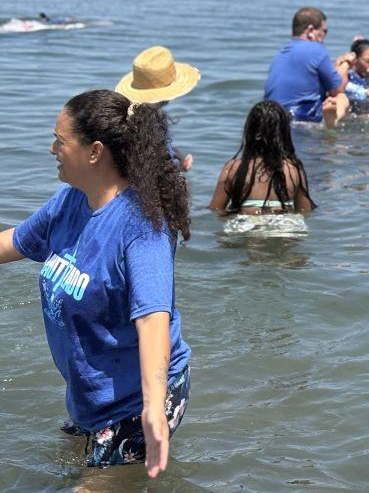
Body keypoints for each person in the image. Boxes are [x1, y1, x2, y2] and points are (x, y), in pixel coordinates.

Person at [0, 90, 192, 477]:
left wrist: (154, 408)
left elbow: (153, 318)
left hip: (137, 400)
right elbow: (14, 242)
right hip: (91, 394)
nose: (52, 149)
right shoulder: (70, 202)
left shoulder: (142, 228)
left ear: (95, 152)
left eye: (60, 140)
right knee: (67, 467)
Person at [208, 100, 315, 215]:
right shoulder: (293, 168)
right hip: (283, 223)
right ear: (283, 133)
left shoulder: (233, 168)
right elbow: (305, 210)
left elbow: (216, 209)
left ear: (250, 132)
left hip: (245, 223)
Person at [115, 45, 201, 171]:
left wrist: (177, 157)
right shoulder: (151, 121)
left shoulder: (126, 112)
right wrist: (180, 166)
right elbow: (157, 162)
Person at [264, 7, 349, 127]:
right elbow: (338, 90)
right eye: (324, 32)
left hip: (271, 119)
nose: (324, 38)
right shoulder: (317, 50)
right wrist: (345, 65)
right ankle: (332, 125)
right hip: (302, 119)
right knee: (342, 98)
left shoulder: (279, 54)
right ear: (310, 30)